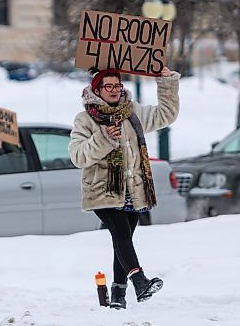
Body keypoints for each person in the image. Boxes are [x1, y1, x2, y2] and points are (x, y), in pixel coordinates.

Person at [68, 66, 180, 309]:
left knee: (123, 239)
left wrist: (166, 82)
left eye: (117, 85)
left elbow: (166, 114)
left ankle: (118, 295)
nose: (114, 90)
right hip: (102, 190)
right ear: (97, 90)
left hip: (132, 189)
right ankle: (139, 280)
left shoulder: (133, 112)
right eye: (108, 86)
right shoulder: (85, 119)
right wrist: (104, 138)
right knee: (120, 234)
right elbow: (78, 156)